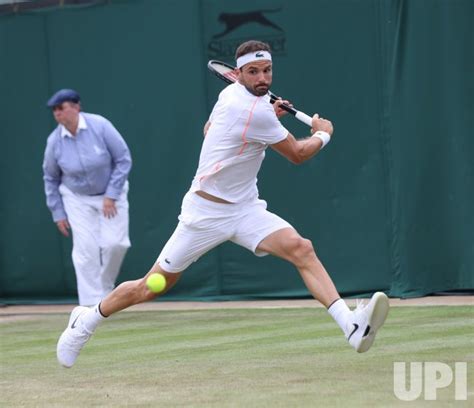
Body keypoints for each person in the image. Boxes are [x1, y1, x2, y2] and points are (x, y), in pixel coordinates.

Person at [56, 41, 389, 368]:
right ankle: (84, 323)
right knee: (150, 287)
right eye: (253, 72)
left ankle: (351, 326)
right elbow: (298, 155)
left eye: (267, 70)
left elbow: (209, 130)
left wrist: (264, 123)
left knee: (301, 248)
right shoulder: (249, 109)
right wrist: (322, 133)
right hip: (204, 213)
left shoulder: (231, 97)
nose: (262, 78)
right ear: (238, 73)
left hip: (245, 208)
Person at [43, 89, 132, 306]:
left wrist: (111, 195)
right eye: (55, 110)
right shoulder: (54, 141)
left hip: (112, 194)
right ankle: (91, 306)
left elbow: (123, 159)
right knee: (85, 250)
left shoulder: (100, 125)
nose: (58, 114)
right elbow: (50, 177)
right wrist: (58, 212)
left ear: (76, 107)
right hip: (77, 199)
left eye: (61, 108)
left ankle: (105, 289)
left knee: (116, 244)